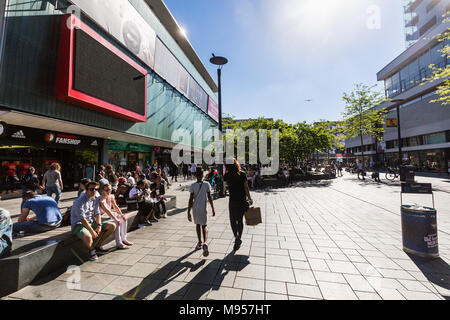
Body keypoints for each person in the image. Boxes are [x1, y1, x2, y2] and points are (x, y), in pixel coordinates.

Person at [71, 182, 116, 261]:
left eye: (96, 189)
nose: (94, 191)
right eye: (92, 189)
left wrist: (99, 225)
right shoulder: (80, 201)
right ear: (86, 190)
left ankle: (98, 246)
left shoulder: (95, 198)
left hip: (91, 222)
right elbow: (82, 219)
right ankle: (92, 252)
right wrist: (92, 231)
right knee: (88, 236)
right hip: (79, 224)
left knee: (112, 226)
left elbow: (97, 213)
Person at [224, 159, 252, 251]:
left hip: (232, 201)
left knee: (232, 220)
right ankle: (239, 236)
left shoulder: (227, 175)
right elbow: (246, 187)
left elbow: (225, 186)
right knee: (239, 220)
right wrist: (249, 198)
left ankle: (236, 237)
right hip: (242, 200)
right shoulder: (242, 174)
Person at [188, 167, 215, 257]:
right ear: (203, 175)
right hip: (203, 208)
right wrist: (213, 208)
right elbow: (210, 197)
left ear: (196, 176)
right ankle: (205, 242)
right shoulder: (207, 184)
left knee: (197, 225)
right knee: (204, 225)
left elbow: (191, 199)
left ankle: (199, 242)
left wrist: (188, 211)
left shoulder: (192, 186)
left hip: (195, 208)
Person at [99, 184, 133, 250]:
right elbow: (107, 210)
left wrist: (121, 214)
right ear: (102, 190)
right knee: (117, 222)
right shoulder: (101, 198)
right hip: (102, 217)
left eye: (109, 189)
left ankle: (124, 239)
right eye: (106, 190)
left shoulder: (111, 196)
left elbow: (115, 207)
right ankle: (119, 243)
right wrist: (116, 219)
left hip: (109, 215)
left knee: (123, 218)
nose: (108, 191)